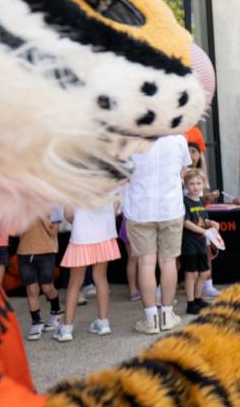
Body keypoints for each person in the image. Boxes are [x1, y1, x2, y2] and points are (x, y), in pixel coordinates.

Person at [124, 132, 191, 333]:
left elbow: (122, 173)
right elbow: (184, 171)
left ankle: (151, 319)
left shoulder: (131, 139)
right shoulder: (179, 139)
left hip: (140, 208)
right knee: (169, 261)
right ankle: (167, 314)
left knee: (145, 262)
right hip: (170, 207)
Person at [55, 197, 119, 341]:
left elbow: (68, 214)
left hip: (81, 236)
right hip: (104, 235)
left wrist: (80, 221)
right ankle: (103, 323)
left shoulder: (75, 180)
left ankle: (66, 328)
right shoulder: (108, 176)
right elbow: (116, 206)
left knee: (75, 282)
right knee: (101, 278)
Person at [16, 209, 62, 339]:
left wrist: (40, 213)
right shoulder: (21, 205)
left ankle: (56, 311)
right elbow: (14, 231)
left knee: (47, 287)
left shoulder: (53, 206)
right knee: (31, 289)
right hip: (24, 252)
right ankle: (36, 322)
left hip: (46, 252)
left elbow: (53, 231)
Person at [182, 153, 216, 318]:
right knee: (191, 274)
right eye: (192, 183)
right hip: (189, 242)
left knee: (203, 273)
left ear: (203, 184)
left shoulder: (200, 201)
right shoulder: (185, 201)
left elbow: (203, 219)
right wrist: (203, 230)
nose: (195, 186)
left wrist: (211, 223)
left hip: (201, 242)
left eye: (198, 183)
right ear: (186, 184)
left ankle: (198, 298)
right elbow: (186, 222)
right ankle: (190, 303)